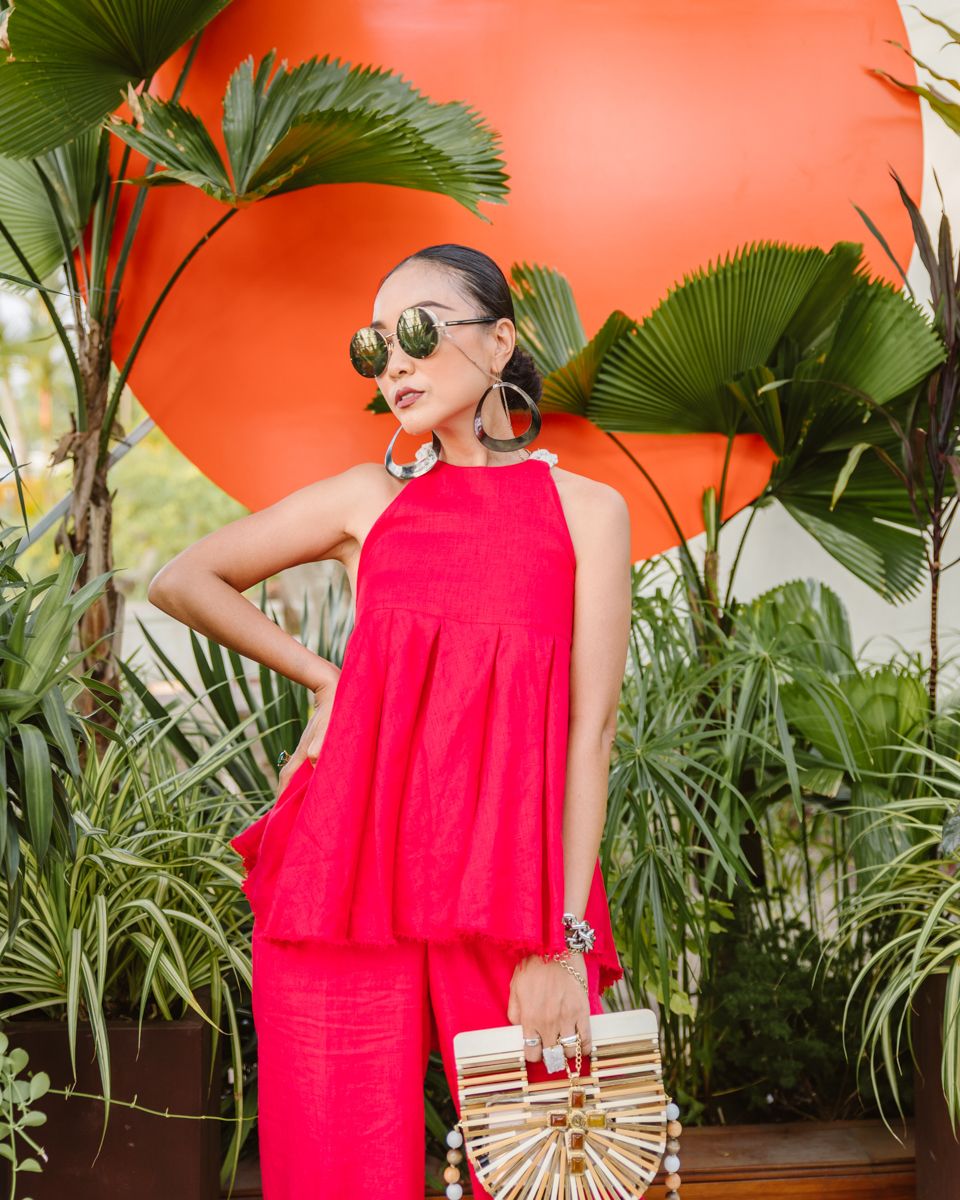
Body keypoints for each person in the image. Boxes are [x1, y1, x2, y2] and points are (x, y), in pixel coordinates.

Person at [147, 243, 632, 1198]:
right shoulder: (370, 502)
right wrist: (329, 681)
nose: (393, 364)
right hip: (346, 869)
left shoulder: (587, 511)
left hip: (511, 881)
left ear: (499, 343)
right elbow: (182, 579)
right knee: (337, 1172)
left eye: (416, 331)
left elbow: (592, 733)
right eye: (375, 345)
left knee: (547, 1172)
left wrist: (558, 947)